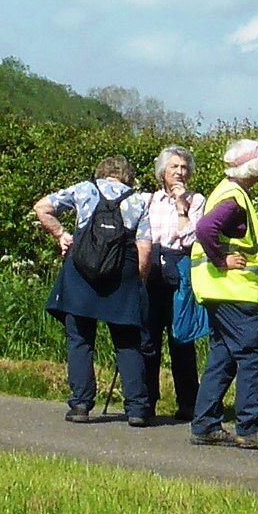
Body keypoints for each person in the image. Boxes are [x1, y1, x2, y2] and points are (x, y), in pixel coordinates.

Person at [33, 156, 154, 426]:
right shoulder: (137, 201)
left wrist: (61, 235)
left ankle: (80, 404)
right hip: (122, 273)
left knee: (80, 338)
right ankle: (136, 408)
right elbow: (144, 248)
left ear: (101, 172)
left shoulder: (84, 189)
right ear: (126, 176)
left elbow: (42, 207)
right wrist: (139, 281)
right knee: (127, 341)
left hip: (82, 269)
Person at [188, 138, 258, 449]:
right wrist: (221, 259)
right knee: (256, 353)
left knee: (224, 355)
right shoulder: (234, 198)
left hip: (217, 289)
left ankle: (205, 422)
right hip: (233, 290)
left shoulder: (227, 191)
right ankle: (250, 427)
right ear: (251, 167)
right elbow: (205, 229)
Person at [140, 144, 205, 422]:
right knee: (148, 338)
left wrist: (182, 208)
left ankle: (188, 403)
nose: (179, 172)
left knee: (181, 338)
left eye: (183, 167)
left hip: (180, 270)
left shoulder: (197, 200)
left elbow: (190, 238)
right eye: (173, 167)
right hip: (153, 270)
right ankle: (145, 402)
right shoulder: (149, 200)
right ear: (162, 172)